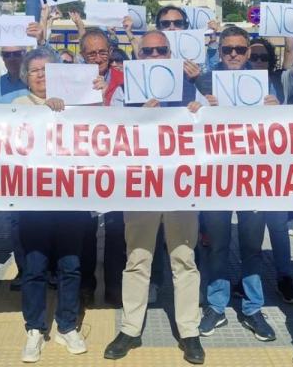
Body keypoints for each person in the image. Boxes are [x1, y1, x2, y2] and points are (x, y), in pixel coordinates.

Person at [103, 30, 206, 365]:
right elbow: (110, 129)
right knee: (137, 259)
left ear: (169, 52)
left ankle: (189, 331)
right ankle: (131, 329)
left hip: (181, 188)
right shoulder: (124, 89)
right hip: (141, 187)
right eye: (148, 51)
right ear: (139, 54)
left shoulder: (190, 85)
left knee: (184, 260)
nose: (155, 56)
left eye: (161, 50)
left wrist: (198, 110)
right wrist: (140, 116)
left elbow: (219, 124)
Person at [196, 26, 280, 343]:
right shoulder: (203, 84)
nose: (233, 54)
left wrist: (276, 111)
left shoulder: (264, 83)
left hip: (252, 177)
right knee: (216, 245)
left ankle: (252, 307)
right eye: (228, 49)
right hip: (216, 176)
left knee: (252, 247)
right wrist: (199, 110)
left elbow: (283, 131)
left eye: (240, 49)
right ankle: (216, 306)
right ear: (219, 51)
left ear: (248, 52)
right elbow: (188, 127)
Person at [14, 47, 95, 363]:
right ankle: (34, 328)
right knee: (33, 268)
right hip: (33, 201)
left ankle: (66, 324)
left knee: (71, 266)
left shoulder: (78, 104)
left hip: (70, 198)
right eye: (35, 71)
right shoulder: (16, 106)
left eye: (48, 70)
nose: (41, 76)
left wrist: (94, 95)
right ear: (26, 77)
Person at [247, 36, 293, 305]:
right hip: (244, 168)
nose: (257, 62)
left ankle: (284, 277)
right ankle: (250, 279)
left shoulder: (281, 82)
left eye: (263, 58)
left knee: (278, 227)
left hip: (274, 169)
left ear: (271, 61)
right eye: (253, 57)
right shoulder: (233, 82)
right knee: (252, 230)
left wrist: (278, 111)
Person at [78, 29, 127, 306]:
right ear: (82, 56)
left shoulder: (124, 78)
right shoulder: (70, 80)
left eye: (102, 52)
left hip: (118, 163)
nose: (98, 58)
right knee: (84, 229)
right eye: (91, 53)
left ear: (110, 52)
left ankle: (114, 286)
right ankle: (86, 285)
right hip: (84, 164)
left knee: (116, 228)